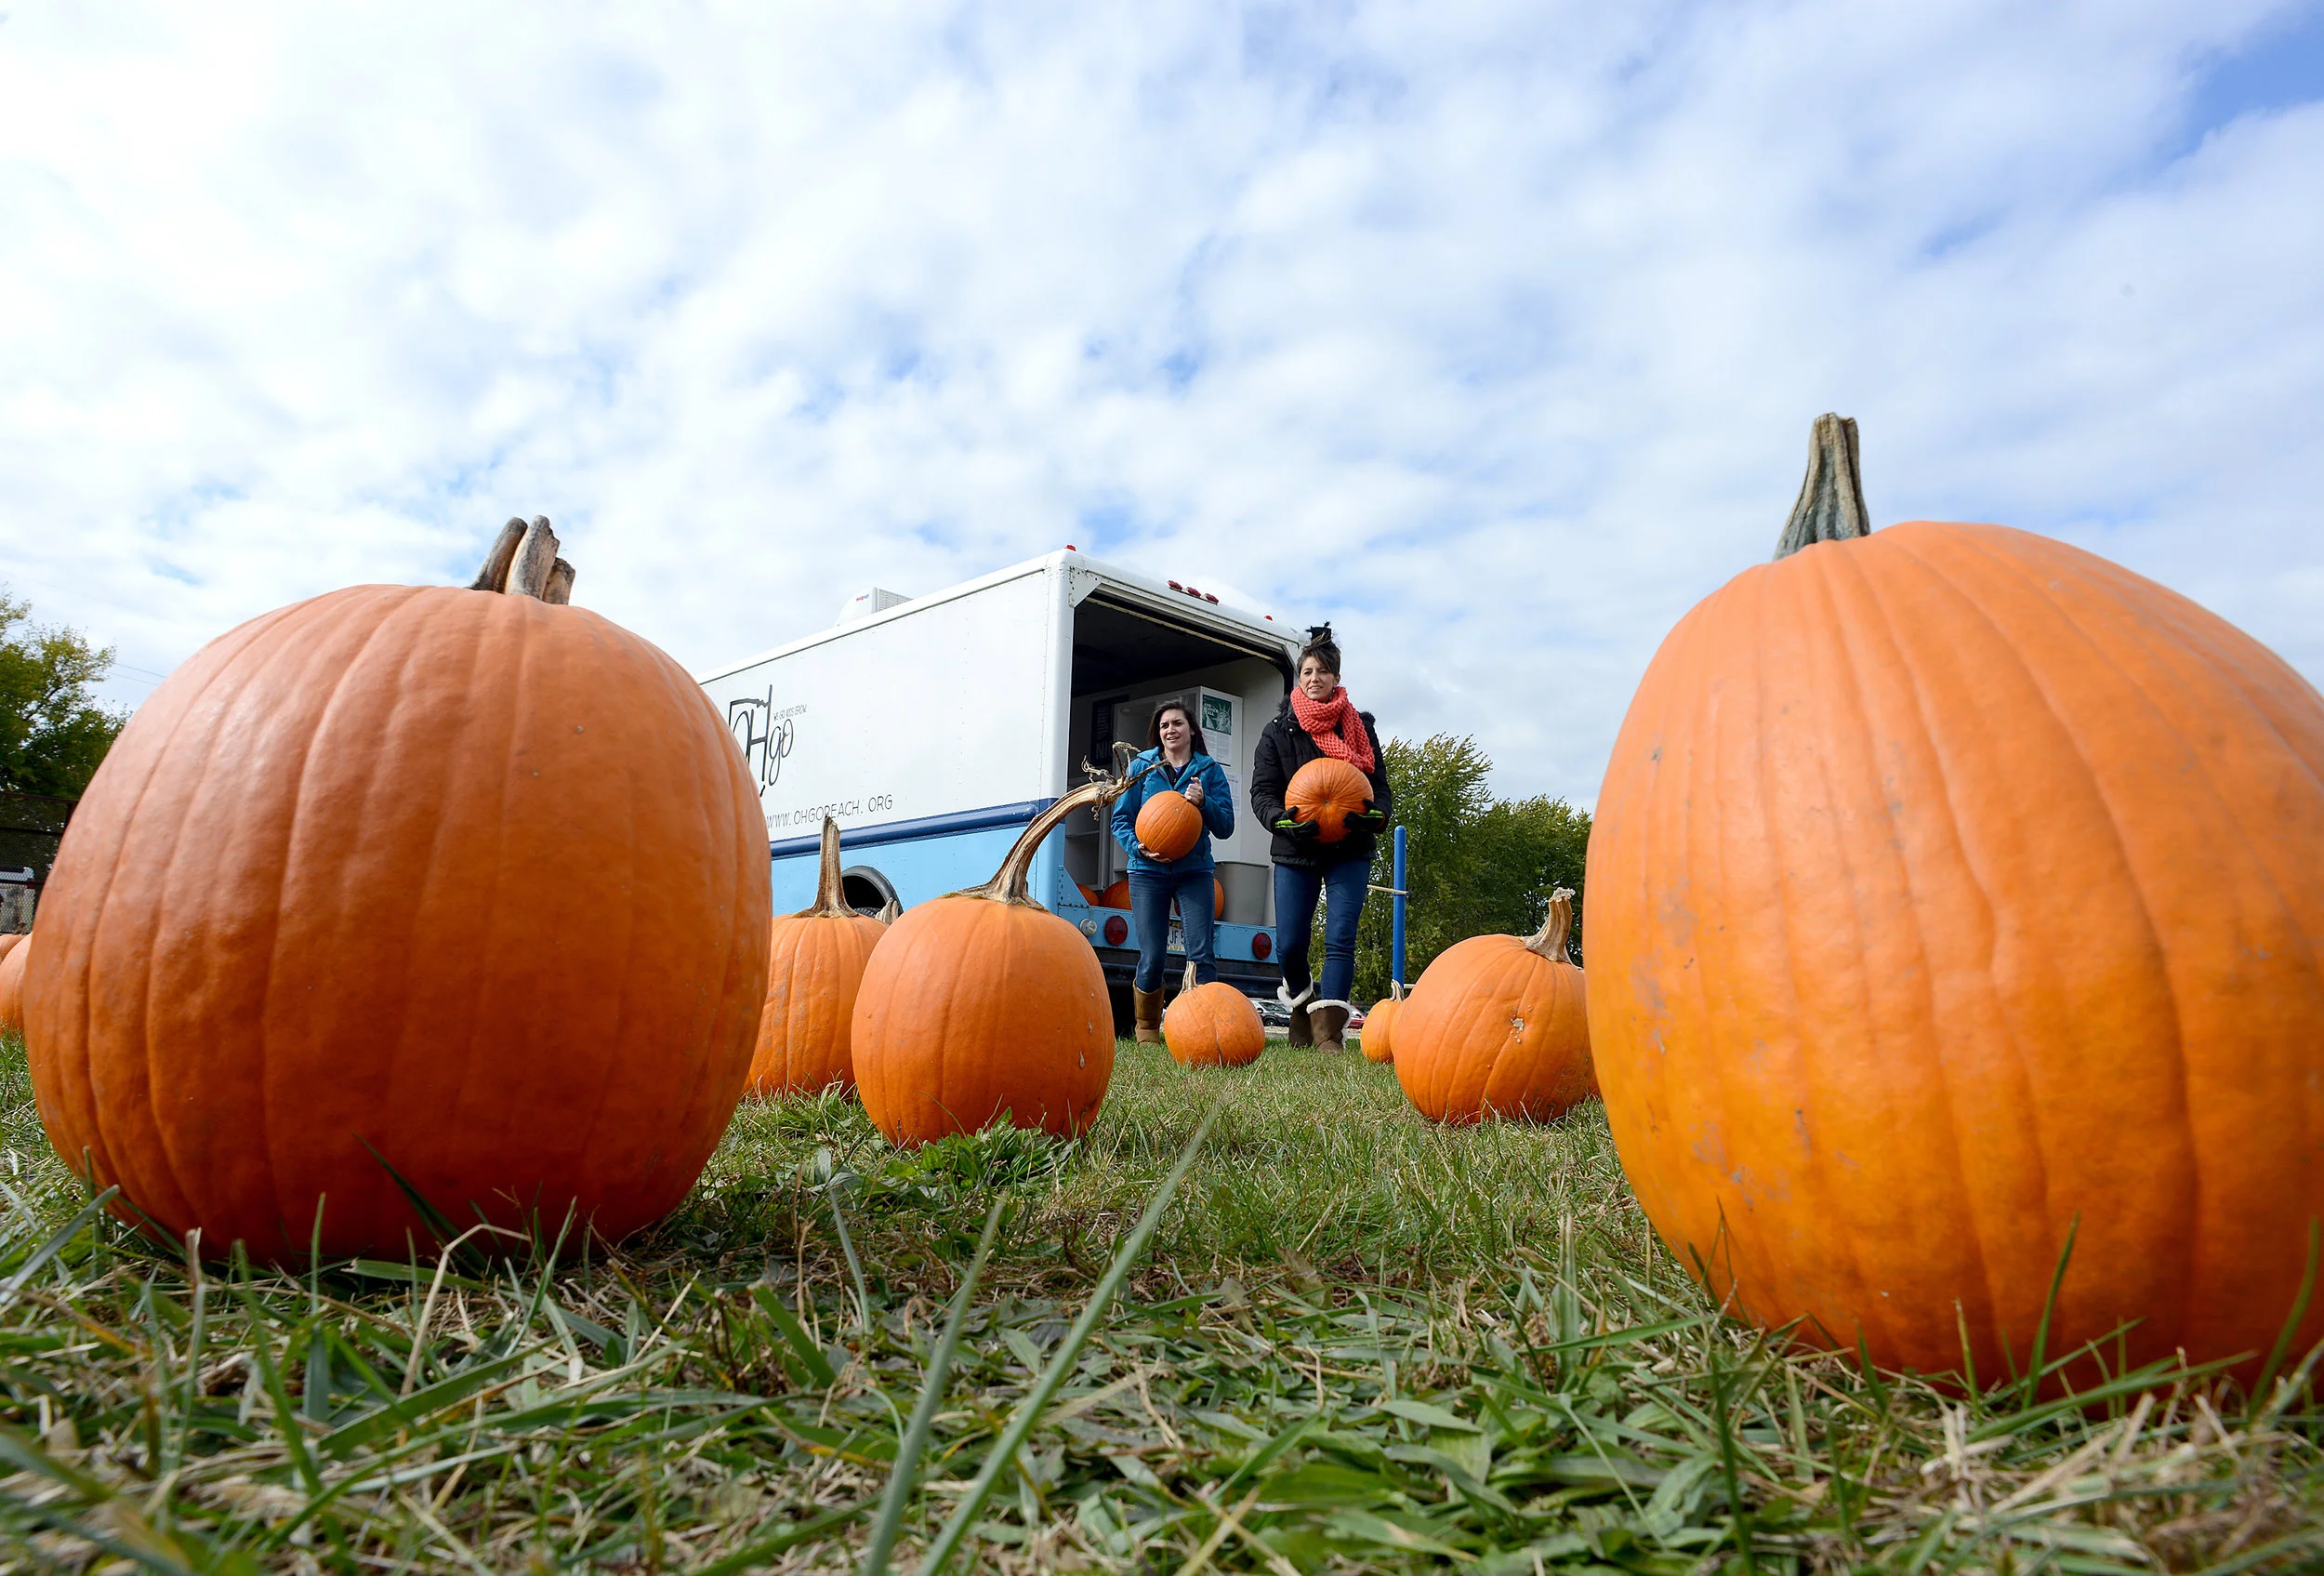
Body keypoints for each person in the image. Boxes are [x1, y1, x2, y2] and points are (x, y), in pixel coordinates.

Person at [1249, 626, 1391, 1052]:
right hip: (1297, 848)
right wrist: (1281, 821)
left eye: (1323, 671)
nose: (1315, 678)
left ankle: (1329, 1033)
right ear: (1300, 677)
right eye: (1308, 670)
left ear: (1336, 678)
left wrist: (1375, 817)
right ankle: (1302, 1003)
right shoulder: (1278, 731)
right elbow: (1262, 792)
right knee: (1290, 942)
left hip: (1350, 847)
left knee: (1340, 936)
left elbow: (1379, 788)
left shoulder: (1359, 728)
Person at [1111, 698, 1236, 1043]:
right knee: (1152, 955)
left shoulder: (1208, 771)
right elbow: (1120, 819)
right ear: (1158, 732)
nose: (1171, 730)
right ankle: (1147, 1027)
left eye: (1177, 723)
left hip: (1194, 871)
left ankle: (1207, 1029)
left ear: (1191, 730)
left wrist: (1204, 802)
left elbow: (1226, 825)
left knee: (1201, 954)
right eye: (1165, 725)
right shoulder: (1143, 767)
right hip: (1146, 871)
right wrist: (1137, 846)